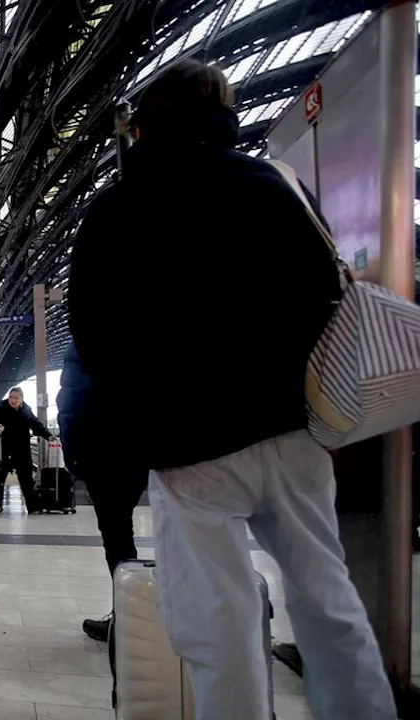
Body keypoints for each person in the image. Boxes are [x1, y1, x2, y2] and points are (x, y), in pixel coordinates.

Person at [68, 60, 394, 720]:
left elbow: (93, 338)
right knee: (327, 599)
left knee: (219, 621)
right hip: (289, 431)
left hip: (190, 447)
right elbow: (328, 299)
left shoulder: (117, 207)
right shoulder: (278, 184)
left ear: (144, 120)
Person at [56, 342, 148, 642]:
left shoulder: (87, 342)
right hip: (150, 450)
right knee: (184, 541)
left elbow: (70, 402)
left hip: (103, 455)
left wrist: (73, 460)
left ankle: (129, 621)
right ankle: (180, 621)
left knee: (119, 537)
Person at [0, 387, 53, 516]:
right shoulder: (0, 410)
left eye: (16, 398)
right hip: (3, 450)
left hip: (22, 450)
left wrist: (48, 435)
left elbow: (37, 425)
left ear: (21, 399)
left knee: (26, 480)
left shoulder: (26, 412)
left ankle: (33, 507)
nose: (13, 400)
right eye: (11, 397)